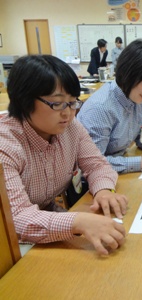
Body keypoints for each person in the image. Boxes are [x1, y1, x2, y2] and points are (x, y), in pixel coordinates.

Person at [2, 54, 128, 255]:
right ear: (24, 100)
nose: (68, 113)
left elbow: (97, 164)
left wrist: (103, 190)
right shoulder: (5, 145)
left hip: (46, 223)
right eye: (58, 103)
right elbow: (14, 218)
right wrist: (78, 221)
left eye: (72, 103)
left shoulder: (71, 128)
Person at [77, 39, 142, 176]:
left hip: (119, 171)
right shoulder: (101, 107)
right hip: (94, 182)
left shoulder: (136, 98)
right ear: (128, 75)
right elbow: (93, 163)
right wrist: (140, 163)